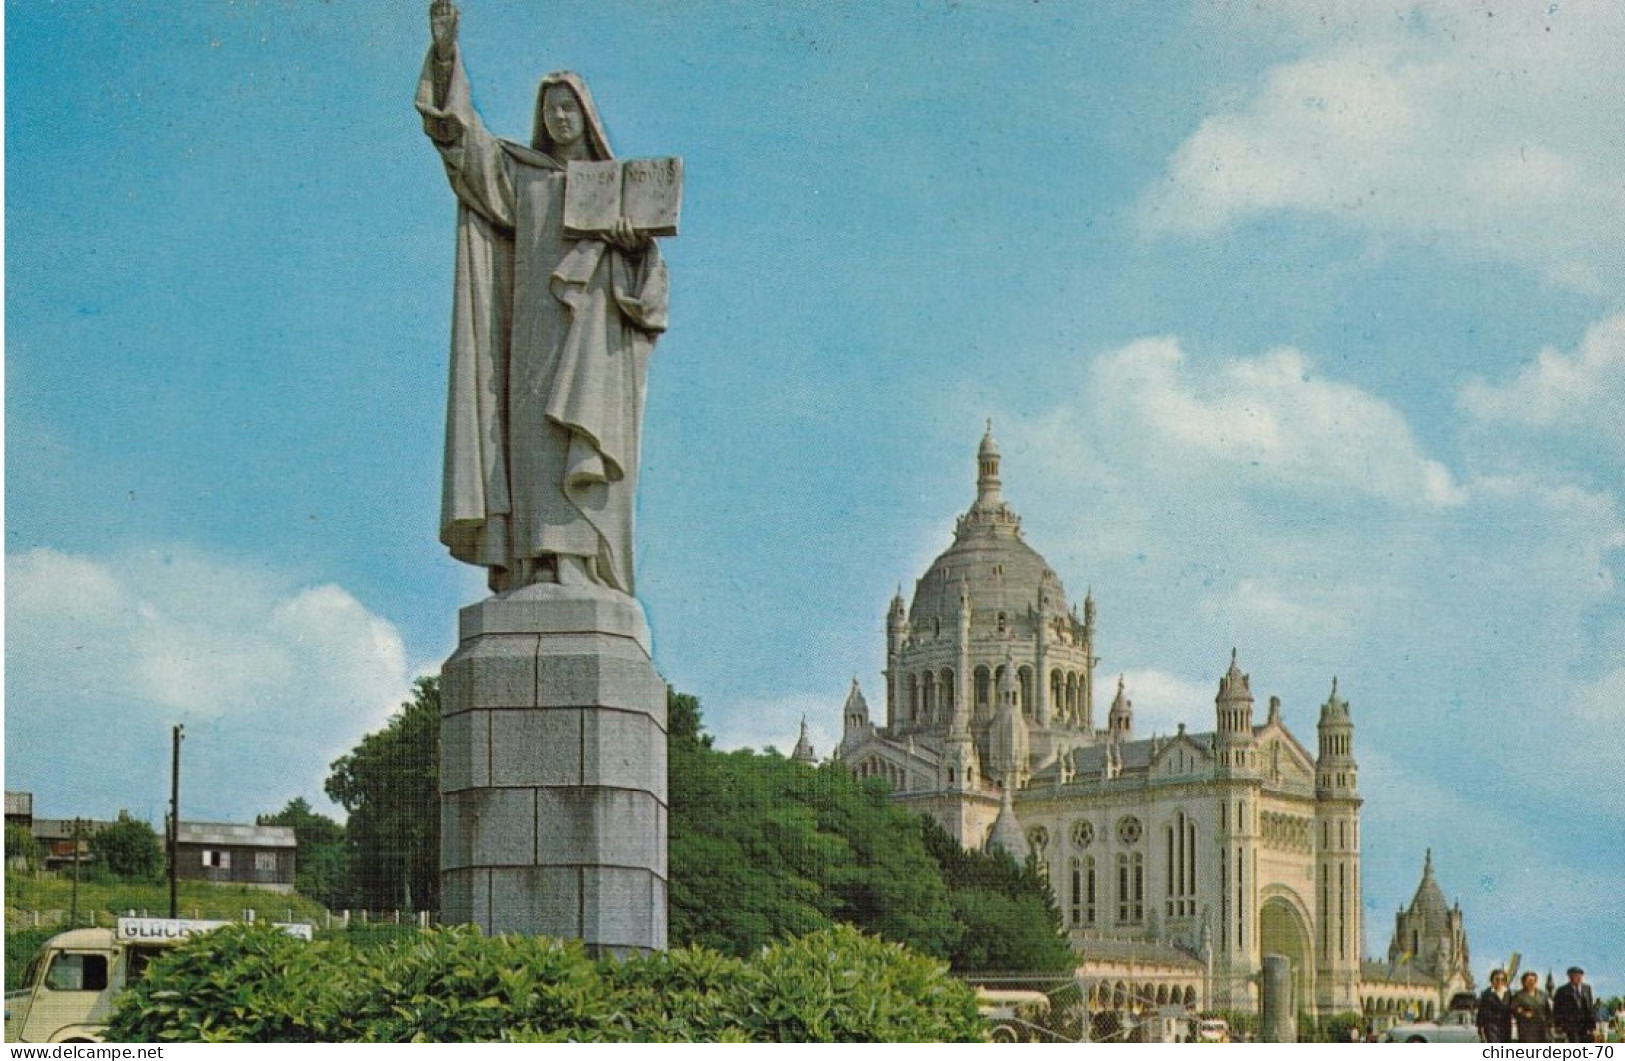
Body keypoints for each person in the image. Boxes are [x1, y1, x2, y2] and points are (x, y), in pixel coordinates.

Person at [416, 1, 671, 596]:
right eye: (550, 108)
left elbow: (650, 297)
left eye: (568, 108)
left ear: (586, 117)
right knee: (535, 445)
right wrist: (447, 56)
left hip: (596, 343)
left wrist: (632, 250)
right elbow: (462, 145)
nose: (559, 118)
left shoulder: (618, 191)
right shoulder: (524, 178)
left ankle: (581, 566)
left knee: (582, 443)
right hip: (533, 337)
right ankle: (537, 563)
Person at [1552, 967, 1597, 1043]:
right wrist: (1558, 1025)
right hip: (1570, 1025)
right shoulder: (1562, 990)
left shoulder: (1587, 988)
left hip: (1585, 1025)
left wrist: (1592, 1025)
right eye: (1575, 975)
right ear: (1569, 977)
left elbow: (1590, 1007)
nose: (1578, 978)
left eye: (1580, 975)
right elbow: (1556, 1009)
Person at [1510, 970, 1552, 1043]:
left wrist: (1550, 1025)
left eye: (1533, 980)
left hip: (1542, 1028)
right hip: (1527, 1029)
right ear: (1523, 982)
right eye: (1529, 980)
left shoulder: (1543, 995)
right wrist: (1523, 1013)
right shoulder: (1518, 996)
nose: (1531, 982)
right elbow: (1513, 1009)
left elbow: (1548, 1011)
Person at [1477, 968, 1513, 1043]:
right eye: (1497, 979)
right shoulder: (1486, 994)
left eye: (1502, 979)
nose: (1499, 981)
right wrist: (1480, 1029)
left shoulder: (1508, 993)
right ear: (1492, 980)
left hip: (1505, 1027)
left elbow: (1512, 1008)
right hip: (1491, 1027)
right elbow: (1481, 1013)